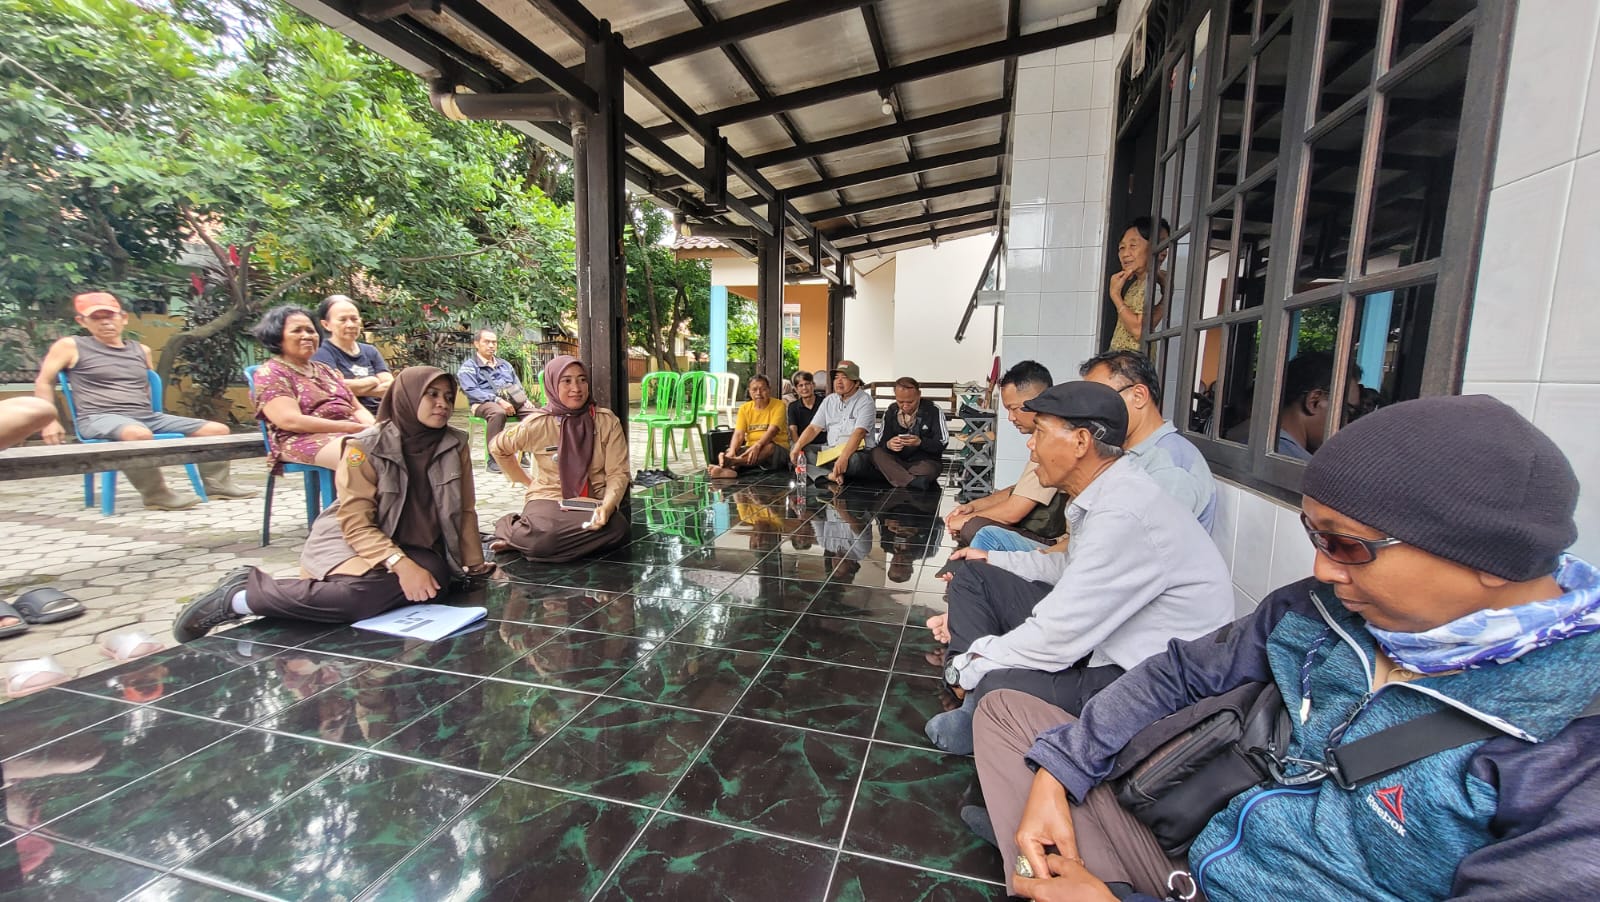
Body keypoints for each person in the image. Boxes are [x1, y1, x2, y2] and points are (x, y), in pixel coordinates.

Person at [973, 394, 1600, 901]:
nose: (1323, 569)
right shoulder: (1320, 608)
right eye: (1314, 535)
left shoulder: (1567, 748)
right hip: (1192, 846)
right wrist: (1061, 773)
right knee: (1005, 714)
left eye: (1348, 544)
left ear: (1489, 558)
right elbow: (1180, 674)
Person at [925, 382, 1233, 755]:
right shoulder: (1106, 493)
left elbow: (1058, 636)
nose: (1030, 444)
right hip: (1106, 642)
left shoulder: (1123, 512)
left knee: (999, 682)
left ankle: (980, 708)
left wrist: (969, 666)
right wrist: (993, 559)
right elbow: (1069, 566)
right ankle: (977, 702)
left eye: (1039, 432)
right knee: (970, 572)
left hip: (1144, 680)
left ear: (1081, 442)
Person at [173, 367, 494, 641]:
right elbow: (355, 523)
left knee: (437, 582)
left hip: (412, 546)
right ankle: (241, 597)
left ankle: (311, 595)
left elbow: (463, 508)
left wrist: (474, 565)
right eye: (432, 395)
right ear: (408, 397)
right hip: (350, 540)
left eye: (449, 397)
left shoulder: (455, 443)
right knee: (354, 599)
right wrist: (401, 565)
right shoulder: (364, 447)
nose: (443, 404)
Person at [33, 291, 257, 509]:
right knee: (137, 434)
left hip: (144, 416)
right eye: (96, 318)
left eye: (110, 315)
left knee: (216, 430)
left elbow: (147, 385)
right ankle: (156, 495)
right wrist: (48, 421)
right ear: (82, 321)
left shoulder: (141, 350)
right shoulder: (70, 346)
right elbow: (44, 381)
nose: (105, 322)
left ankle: (217, 485)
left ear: (123, 318)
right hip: (97, 417)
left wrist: (151, 415)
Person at [487, 356, 631, 563]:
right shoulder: (537, 423)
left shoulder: (606, 421)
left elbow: (618, 472)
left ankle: (527, 541)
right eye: (567, 381)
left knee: (618, 530)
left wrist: (608, 506)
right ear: (553, 384)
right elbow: (498, 447)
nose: (577, 388)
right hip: (549, 497)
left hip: (590, 500)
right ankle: (512, 528)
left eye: (582, 380)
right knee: (543, 540)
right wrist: (525, 480)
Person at [1080, 349, 1216, 530]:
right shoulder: (1129, 451)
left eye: (1099, 400)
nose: (1091, 412)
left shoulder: (1170, 468)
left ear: (1138, 396)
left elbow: (1142, 548)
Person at [944, 361, 1062, 550]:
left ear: (1040, 400)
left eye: (1014, 409)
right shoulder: (1044, 435)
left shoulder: (1057, 439)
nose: (1010, 418)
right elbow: (1020, 489)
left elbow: (1013, 511)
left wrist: (966, 520)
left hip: (1055, 543)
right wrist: (976, 506)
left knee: (974, 527)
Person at [250, 305, 375, 473]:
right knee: (358, 456)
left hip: (349, 432)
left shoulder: (326, 370)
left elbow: (355, 407)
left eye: (311, 331)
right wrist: (350, 428)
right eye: (297, 331)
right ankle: (355, 500)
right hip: (301, 438)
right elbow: (290, 421)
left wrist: (372, 427)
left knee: (403, 447)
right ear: (278, 337)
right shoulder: (271, 373)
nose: (307, 336)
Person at [457, 329, 538, 473]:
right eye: (486, 342)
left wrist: (524, 400)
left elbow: (517, 385)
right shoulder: (469, 367)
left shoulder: (505, 365)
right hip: (483, 404)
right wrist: (497, 400)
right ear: (476, 344)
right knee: (497, 413)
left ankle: (525, 452)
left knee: (535, 415)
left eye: (494, 342)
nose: (491, 345)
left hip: (511, 402)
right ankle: (494, 459)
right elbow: (471, 390)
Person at [790, 360, 878, 486]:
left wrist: (844, 458)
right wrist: (797, 446)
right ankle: (830, 474)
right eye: (836, 378)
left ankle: (827, 470)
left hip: (856, 451)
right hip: (831, 450)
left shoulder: (865, 401)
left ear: (856, 382)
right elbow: (814, 428)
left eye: (844, 377)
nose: (839, 381)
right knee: (801, 452)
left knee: (854, 462)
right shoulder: (829, 400)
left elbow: (859, 433)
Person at [310, 294, 393, 414]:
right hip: (349, 417)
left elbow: (390, 386)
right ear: (326, 324)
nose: (350, 324)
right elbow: (332, 388)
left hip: (384, 412)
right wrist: (372, 381)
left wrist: (354, 387)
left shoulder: (370, 350)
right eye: (342, 320)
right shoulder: (321, 352)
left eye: (354, 319)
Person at [871, 377, 949, 491]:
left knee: (928, 470)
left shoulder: (933, 410)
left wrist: (920, 442)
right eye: (900, 402)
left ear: (919, 395)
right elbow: (881, 442)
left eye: (910, 402)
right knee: (875, 453)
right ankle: (912, 481)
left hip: (923, 461)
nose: (905, 406)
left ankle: (897, 477)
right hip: (897, 459)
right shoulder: (891, 411)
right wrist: (889, 444)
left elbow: (942, 443)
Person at [1107, 217, 1170, 352]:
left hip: (1132, 364)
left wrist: (1115, 296)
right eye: (1122, 247)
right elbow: (1147, 324)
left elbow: (1138, 330)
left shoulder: (1150, 282)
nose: (1125, 254)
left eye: (1133, 246)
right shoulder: (1138, 283)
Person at [707, 374, 789, 479]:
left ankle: (731, 463)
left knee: (769, 447)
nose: (758, 393)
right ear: (749, 391)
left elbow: (772, 431)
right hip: (751, 448)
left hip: (776, 449)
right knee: (731, 450)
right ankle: (730, 469)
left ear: (769, 390)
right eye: (754, 389)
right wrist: (732, 450)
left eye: (762, 389)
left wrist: (758, 445)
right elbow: (739, 434)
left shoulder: (779, 405)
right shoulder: (744, 408)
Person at [786, 370, 824, 451]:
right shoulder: (793, 407)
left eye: (807, 384)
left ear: (813, 385)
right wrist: (798, 448)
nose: (804, 388)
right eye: (800, 385)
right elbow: (793, 430)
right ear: (796, 389)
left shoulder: (824, 402)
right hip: (804, 445)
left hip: (824, 444)